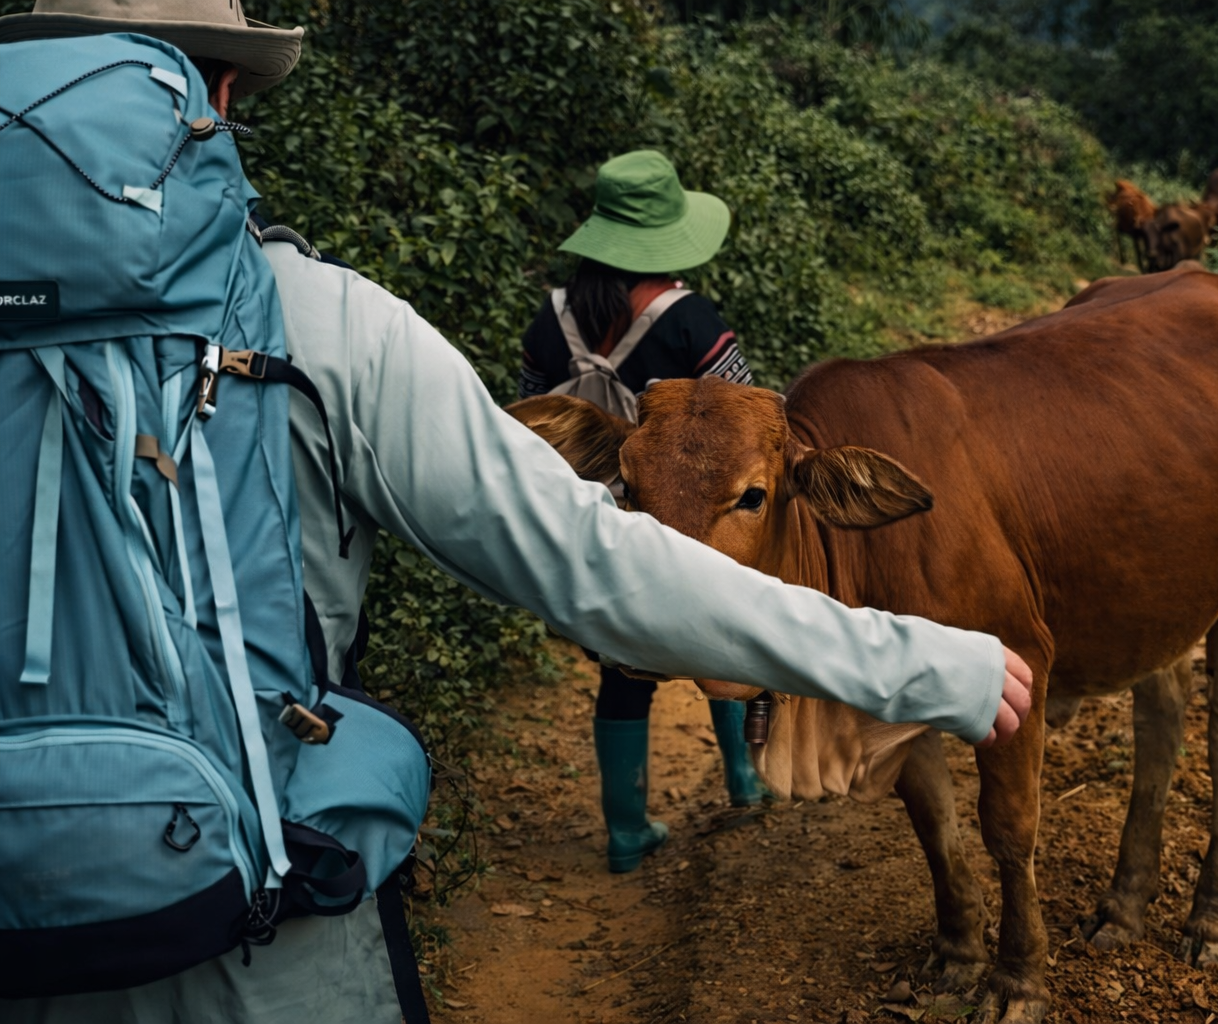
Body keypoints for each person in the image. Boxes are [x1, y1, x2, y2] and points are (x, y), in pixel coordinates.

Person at [0, 3, 1033, 1022]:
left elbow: (550, 417)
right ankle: (725, 778)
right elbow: (600, 563)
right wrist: (930, 661)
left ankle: (633, 822)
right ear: (221, 95)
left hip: (15, 907)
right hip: (268, 896)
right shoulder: (324, 322)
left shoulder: (547, 314)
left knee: (624, 685)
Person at [519, 149, 763, 873]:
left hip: (593, 525)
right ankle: (747, 778)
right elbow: (743, 421)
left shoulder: (551, 317)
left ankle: (627, 829)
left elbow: (531, 420)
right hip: (689, 521)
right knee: (723, 640)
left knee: (623, 668)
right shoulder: (692, 321)